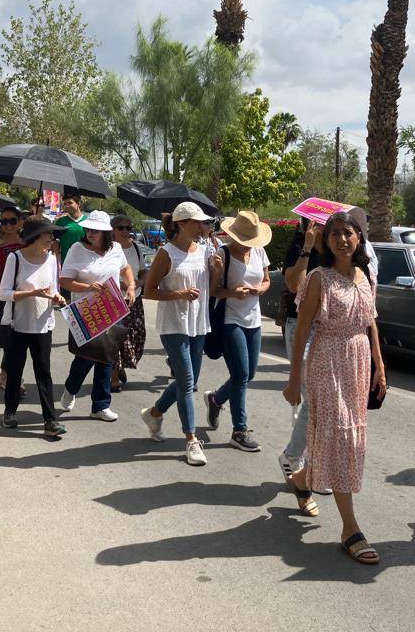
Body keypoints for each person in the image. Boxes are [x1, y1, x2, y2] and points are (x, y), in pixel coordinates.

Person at [281, 212, 385, 565]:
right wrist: (295, 379)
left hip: (357, 364)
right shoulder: (318, 279)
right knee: (340, 438)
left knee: (348, 436)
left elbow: (370, 323)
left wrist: (380, 365)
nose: (343, 239)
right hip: (326, 362)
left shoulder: (365, 275)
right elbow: (303, 330)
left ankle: (300, 478)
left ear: (359, 238)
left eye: (349, 233)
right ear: (326, 241)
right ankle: (350, 528)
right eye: (335, 234)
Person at [139, 202, 214, 465]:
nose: (202, 226)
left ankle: (155, 412)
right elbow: (148, 291)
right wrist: (178, 294)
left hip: (198, 323)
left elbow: (211, 287)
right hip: (174, 326)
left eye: (204, 223)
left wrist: (217, 267)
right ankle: (191, 439)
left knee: (188, 382)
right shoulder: (166, 253)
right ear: (182, 224)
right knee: (187, 383)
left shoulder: (206, 251)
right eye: (197, 222)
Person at [203, 211, 272, 452]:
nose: (248, 245)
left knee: (249, 374)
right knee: (241, 375)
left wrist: (259, 289)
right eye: (244, 240)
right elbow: (214, 292)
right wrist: (233, 292)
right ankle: (239, 430)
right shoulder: (223, 254)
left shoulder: (259, 251)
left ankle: (216, 398)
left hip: (254, 320)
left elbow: (266, 280)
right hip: (231, 319)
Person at [58, 210, 135, 421]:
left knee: (106, 357)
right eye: (88, 229)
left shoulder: (116, 248)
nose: (90, 233)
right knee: (85, 356)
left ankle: (100, 405)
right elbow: (64, 280)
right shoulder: (77, 249)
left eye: (96, 230)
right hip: (85, 311)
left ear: (106, 233)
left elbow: (125, 268)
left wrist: (131, 286)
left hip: (110, 309)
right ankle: (71, 388)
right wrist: (87, 287)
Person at [0, 216, 67, 437]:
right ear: (35, 236)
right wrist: (31, 293)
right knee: (15, 371)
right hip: (18, 325)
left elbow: (54, 289)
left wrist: (58, 298)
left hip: (43, 324)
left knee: (44, 373)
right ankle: (10, 412)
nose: (52, 238)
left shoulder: (52, 259)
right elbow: (3, 293)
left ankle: (50, 419)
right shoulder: (15, 259)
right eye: (48, 234)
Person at [277, 218, 326, 485]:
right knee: (314, 401)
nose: (320, 228)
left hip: (328, 329)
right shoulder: (298, 246)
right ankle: (294, 457)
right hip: (302, 327)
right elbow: (296, 285)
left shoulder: (336, 250)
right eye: (315, 224)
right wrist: (308, 245)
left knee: (320, 402)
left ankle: (305, 463)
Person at [0, 205, 24, 390]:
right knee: (10, 336)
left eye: (13, 221)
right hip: (3, 294)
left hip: (24, 294)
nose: (9, 225)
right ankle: (11, 377)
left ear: (19, 222)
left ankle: (6, 374)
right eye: (5, 221)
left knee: (19, 337)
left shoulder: (27, 240)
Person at [110, 214, 147, 392]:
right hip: (115, 301)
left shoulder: (136, 248)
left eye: (128, 228)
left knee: (137, 337)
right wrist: (120, 284)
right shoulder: (109, 249)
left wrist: (137, 283)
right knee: (116, 339)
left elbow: (143, 271)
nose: (125, 231)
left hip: (135, 299)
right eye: (121, 228)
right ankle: (114, 376)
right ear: (113, 230)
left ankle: (121, 365)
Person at [55, 194, 87, 263]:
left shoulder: (88, 222)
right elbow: (56, 242)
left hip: (85, 264)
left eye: (70, 203)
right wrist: (55, 261)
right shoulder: (60, 222)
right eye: (65, 204)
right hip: (66, 264)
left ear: (78, 203)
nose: (67, 206)